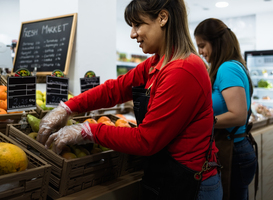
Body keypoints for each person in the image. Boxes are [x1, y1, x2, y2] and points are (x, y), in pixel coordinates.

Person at [37, 1, 222, 199]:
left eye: (137, 24)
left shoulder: (183, 70)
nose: (132, 34)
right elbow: (114, 89)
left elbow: (146, 140)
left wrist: (88, 130)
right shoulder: (156, 62)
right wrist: (67, 107)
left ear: (162, 18)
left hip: (190, 185)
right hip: (166, 174)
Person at [194, 18, 258, 200]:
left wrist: (202, 122)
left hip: (234, 149)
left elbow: (238, 115)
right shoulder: (232, 66)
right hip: (237, 147)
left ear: (216, 42)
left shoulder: (227, 68)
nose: (200, 52)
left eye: (202, 45)